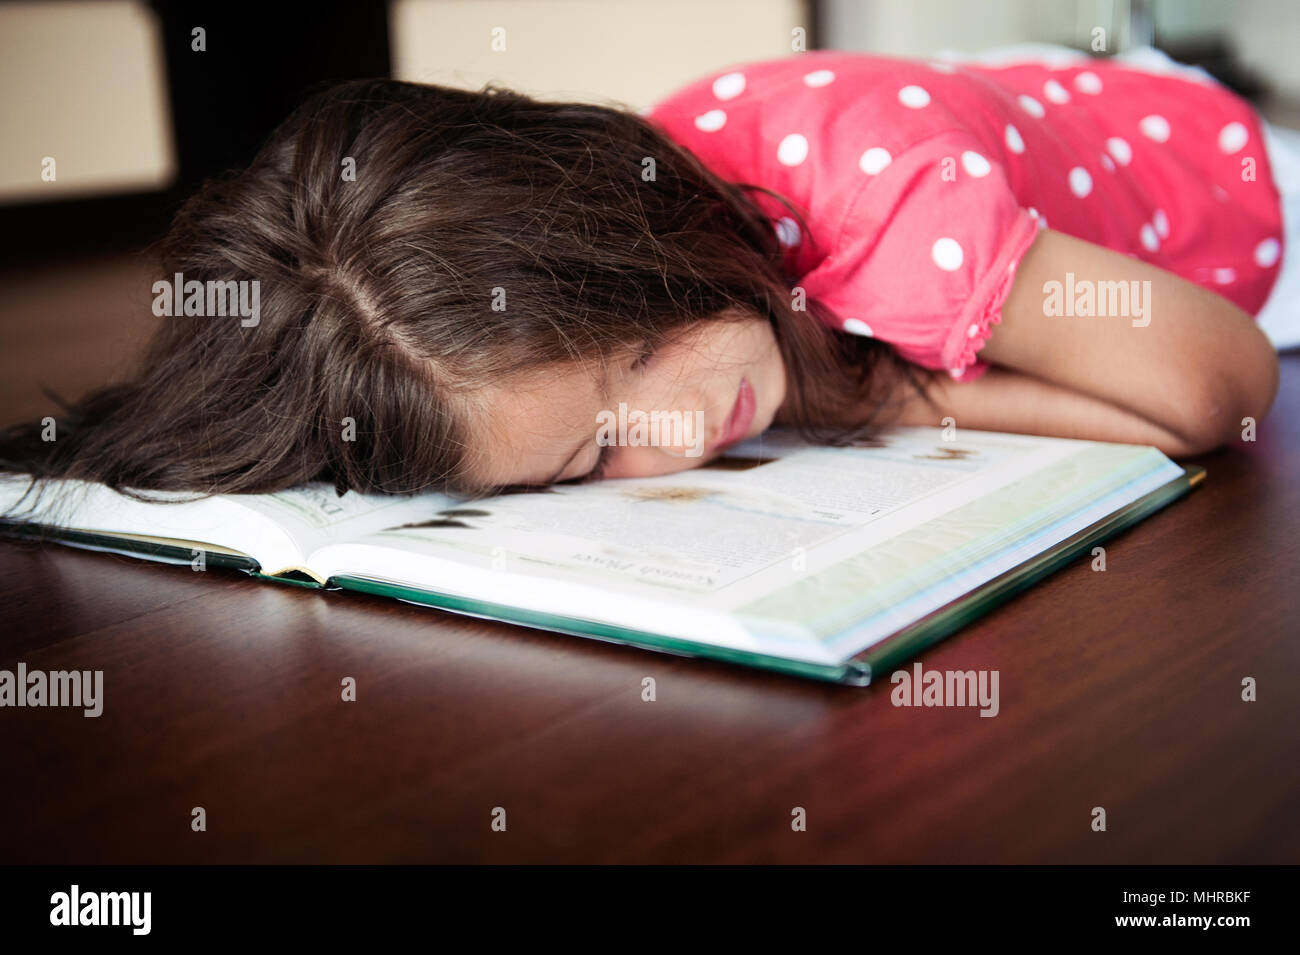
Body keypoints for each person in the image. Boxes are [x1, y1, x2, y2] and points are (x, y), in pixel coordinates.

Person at [0, 46, 1289, 502]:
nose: (673, 438)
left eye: (634, 360)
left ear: (638, 227)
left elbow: (1220, 390)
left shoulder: (894, 221)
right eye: (587, 460)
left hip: (1241, 189)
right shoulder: (674, 186)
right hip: (1033, 114)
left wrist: (897, 401)